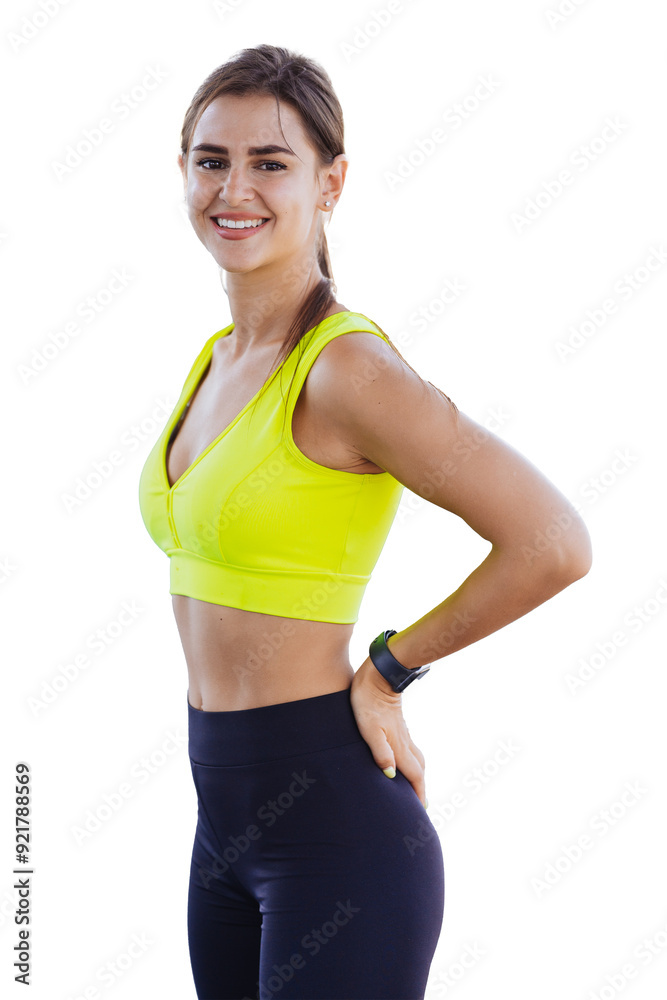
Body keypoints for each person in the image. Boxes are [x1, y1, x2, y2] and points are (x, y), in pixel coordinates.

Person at [138, 43, 592, 1000]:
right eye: (211, 160)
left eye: (270, 162)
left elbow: (551, 542)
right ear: (182, 170)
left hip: (336, 842)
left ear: (330, 183)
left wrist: (388, 671)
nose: (233, 189)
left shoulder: (348, 370)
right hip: (219, 831)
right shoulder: (218, 359)